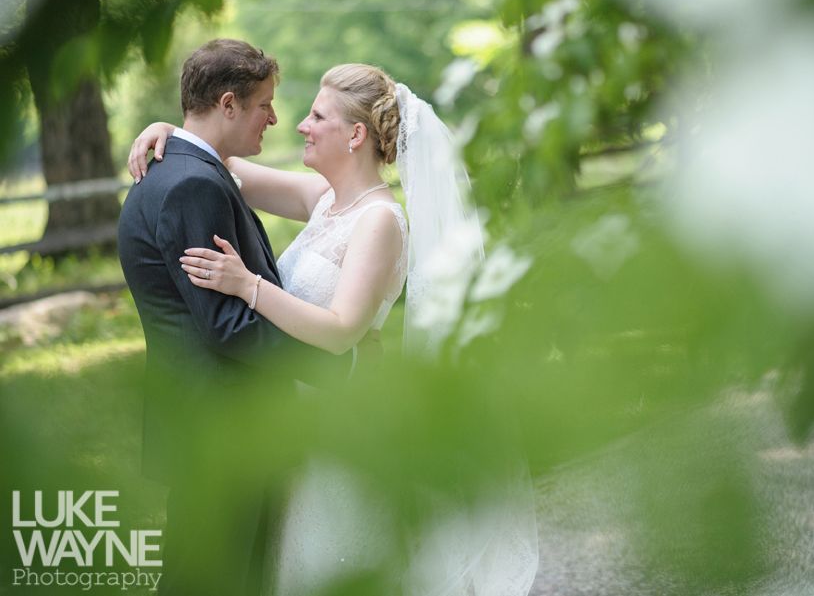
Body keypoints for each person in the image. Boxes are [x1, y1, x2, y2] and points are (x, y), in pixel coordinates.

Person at [128, 62, 538, 596]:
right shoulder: (321, 201)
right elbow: (213, 158)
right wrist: (163, 130)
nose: (300, 124)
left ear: (356, 134)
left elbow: (343, 329)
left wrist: (250, 286)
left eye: (317, 115)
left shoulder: (381, 221)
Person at [118, 39, 356, 596]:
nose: (276, 118)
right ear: (227, 104)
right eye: (263, 105)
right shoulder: (193, 183)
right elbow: (227, 326)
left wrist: (169, 129)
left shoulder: (180, 167)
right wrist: (329, 361)